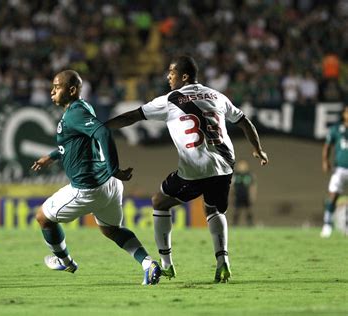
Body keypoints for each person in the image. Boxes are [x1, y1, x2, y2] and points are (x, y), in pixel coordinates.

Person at [106, 55, 268, 283]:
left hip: (195, 168)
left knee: (159, 202)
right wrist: (258, 149)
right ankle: (223, 263)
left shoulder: (171, 99)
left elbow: (134, 116)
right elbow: (244, 121)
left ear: (184, 76)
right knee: (213, 210)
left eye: (171, 72)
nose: (168, 77)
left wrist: (104, 127)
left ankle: (167, 265)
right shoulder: (217, 96)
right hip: (224, 165)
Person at [32, 70, 161, 285]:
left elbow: (102, 132)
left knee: (43, 217)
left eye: (57, 86)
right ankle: (148, 264)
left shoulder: (75, 113)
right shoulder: (82, 108)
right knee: (111, 230)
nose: (52, 90)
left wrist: (114, 168)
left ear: (72, 90)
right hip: (110, 186)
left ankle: (65, 260)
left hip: (87, 189)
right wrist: (53, 156)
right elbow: (78, 142)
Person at [320, 105, 348, 238]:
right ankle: (327, 224)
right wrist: (325, 161)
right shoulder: (336, 129)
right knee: (333, 195)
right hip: (340, 169)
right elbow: (327, 146)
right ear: (344, 114)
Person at [232, 160, 256, 226]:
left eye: (243, 166)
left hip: (246, 195)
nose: (242, 167)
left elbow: (252, 186)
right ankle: (234, 224)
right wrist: (232, 195)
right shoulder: (235, 175)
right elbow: (232, 186)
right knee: (236, 210)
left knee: (249, 210)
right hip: (238, 195)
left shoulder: (249, 175)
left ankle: (250, 224)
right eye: (241, 166)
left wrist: (252, 195)